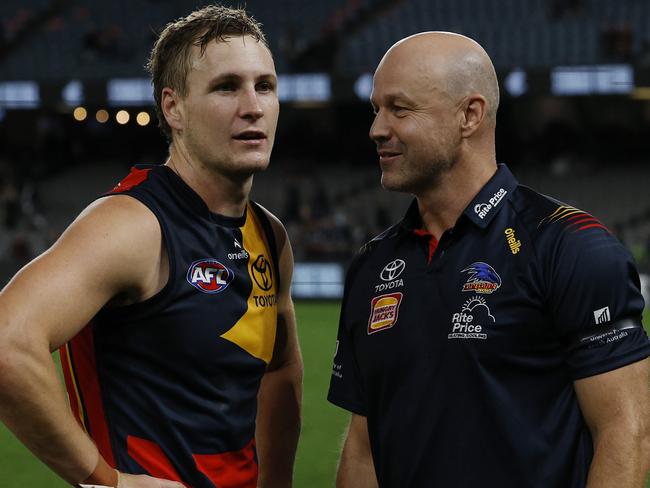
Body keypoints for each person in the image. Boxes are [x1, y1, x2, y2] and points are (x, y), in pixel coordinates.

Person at [328, 31, 650, 488]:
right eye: (376, 110)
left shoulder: (571, 247)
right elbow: (364, 447)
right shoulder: (371, 266)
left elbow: (625, 433)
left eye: (399, 109)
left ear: (470, 115)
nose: (377, 129)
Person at [0, 5, 302, 488]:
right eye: (227, 87)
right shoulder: (133, 225)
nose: (253, 105)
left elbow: (282, 367)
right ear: (173, 108)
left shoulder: (270, 235)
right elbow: (6, 342)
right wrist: (107, 481)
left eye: (264, 85)